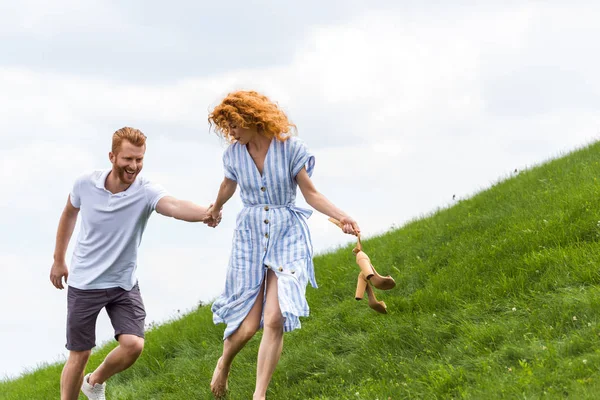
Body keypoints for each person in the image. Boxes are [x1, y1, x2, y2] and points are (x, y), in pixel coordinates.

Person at [206, 91, 360, 399]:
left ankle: (259, 395)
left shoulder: (290, 148)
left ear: (252, 118)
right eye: (226, 127)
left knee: (275, 317)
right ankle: (224, 362)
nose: (231, 133)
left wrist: (343, 216)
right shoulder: (234, 154)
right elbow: (228, 185)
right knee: (248, 326)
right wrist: (215, 208)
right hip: (249, 237)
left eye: (234, 124)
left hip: (287, 235)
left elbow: (311, 194)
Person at [49, 127, 219, 400]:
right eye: (128, 159)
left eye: (139, 159)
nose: (134, 166)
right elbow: (69, 214)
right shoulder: (85, 184)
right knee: (79, 354)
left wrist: (205, 213)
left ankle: (94, 382)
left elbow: (174, 206)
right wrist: (58, 260)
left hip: (122, 283)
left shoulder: (145, 190)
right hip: (85, 283)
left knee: (133, 345)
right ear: (112, 156)